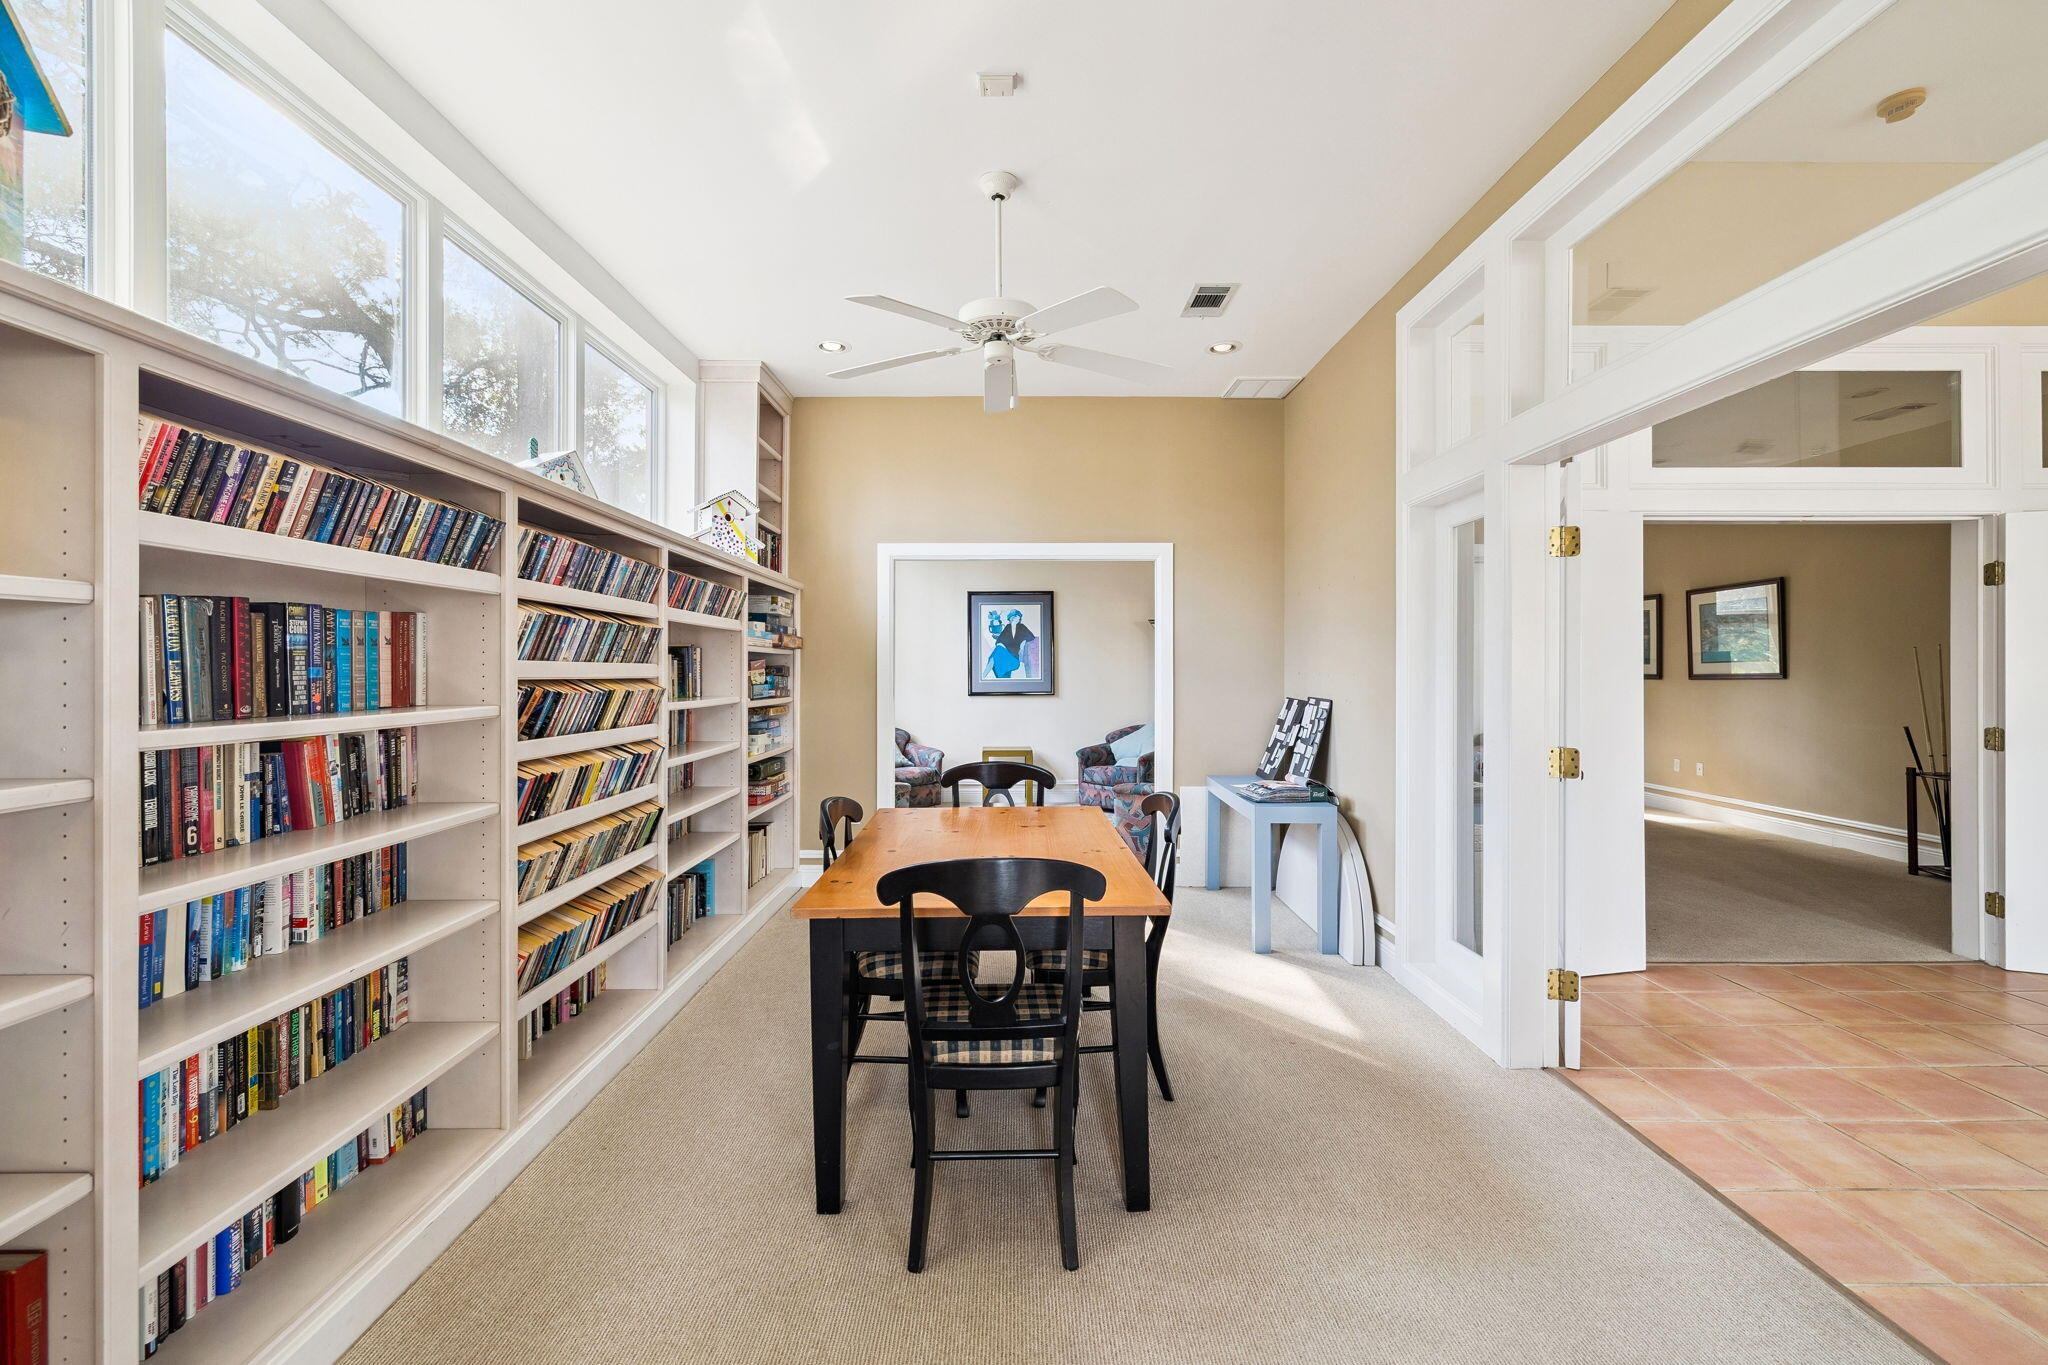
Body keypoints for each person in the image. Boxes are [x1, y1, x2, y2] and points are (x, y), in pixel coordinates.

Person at [986, 608, 1037, 679]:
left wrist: (1024, 641)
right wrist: (1000, 644)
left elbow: (1031, 637)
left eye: (1019, 618)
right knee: (998, 650)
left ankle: (984, 675)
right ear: (1011, 618)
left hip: (1014, 658)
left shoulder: (1022, 627)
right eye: (1015, 617)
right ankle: (985, 675)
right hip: (1005, 655)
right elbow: (999, 641)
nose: (1017, 619)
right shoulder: (1007, 627)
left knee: (996, 655)